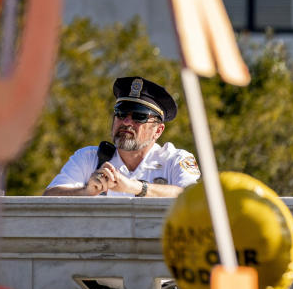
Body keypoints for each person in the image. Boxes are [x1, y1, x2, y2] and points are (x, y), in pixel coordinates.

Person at [43, 76, 200, 198]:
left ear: (158, 131)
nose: (126, 122)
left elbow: (192, 196)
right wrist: (86, 191)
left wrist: (135, 187)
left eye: (139, 116)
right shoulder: (89, 158)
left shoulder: (174, 160)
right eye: (121, 113)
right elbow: (49, 196)